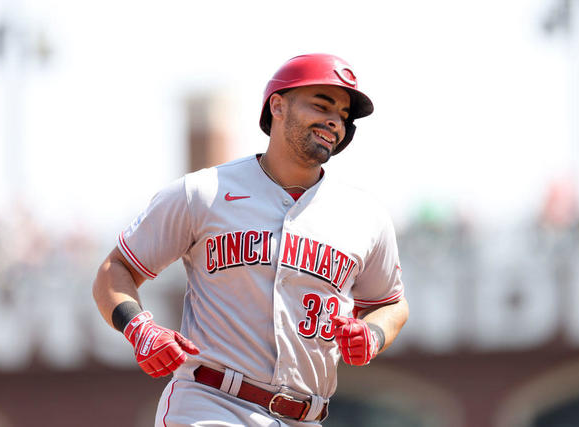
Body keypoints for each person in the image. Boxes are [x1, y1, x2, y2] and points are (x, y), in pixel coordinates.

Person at [92, 53, 409, 426]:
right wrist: (139, 328)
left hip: (306, 415)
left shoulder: (364, 216)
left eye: (342, 115)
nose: (334, 121)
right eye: (322, 104)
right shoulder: (204, 193)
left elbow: (392, 305)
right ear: (277, 105)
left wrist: (372, 333)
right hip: (211, 403)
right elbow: (116, 269)